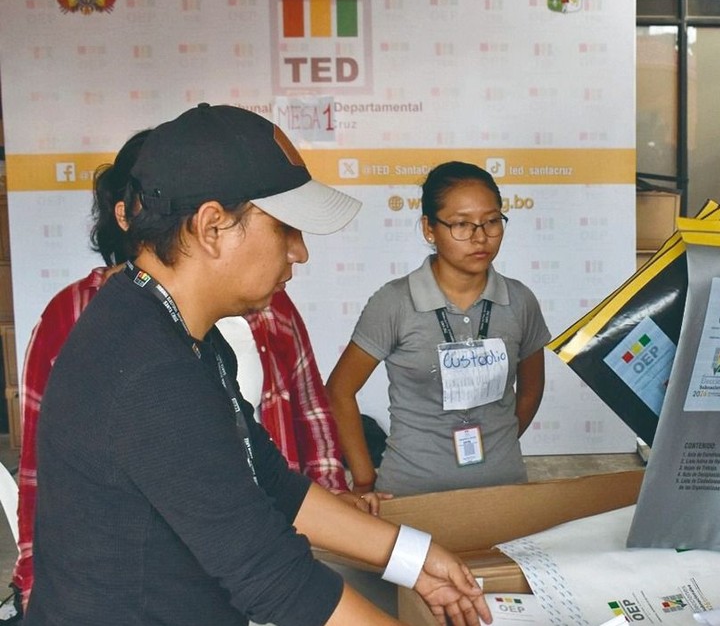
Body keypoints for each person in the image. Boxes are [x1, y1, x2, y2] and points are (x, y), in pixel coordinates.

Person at [26, 104, 491, 626]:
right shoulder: (147, 370)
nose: (300, 252)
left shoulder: (181, 331)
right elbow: (274, 578)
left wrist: (415, 559)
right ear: (213, 227)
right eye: (286, 229)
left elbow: (267, 480)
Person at [327, 161, 550, 497]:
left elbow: (532, 389)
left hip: (504, 490)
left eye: (491, 222)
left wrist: (499, 441)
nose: (480, 237)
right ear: (429, 229)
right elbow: (339, 391)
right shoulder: (395, 302)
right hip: (410, 492)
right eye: (461, 224)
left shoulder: (519, 301)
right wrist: (362, 480)